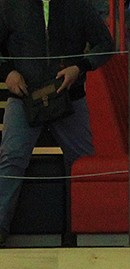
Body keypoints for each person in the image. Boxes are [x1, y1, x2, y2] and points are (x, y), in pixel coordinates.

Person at [0, 0, 114, 246]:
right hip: (25, 98)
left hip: (68, 98)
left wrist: (79, 68)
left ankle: (86, 230)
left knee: (82, 165)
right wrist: (7, 73)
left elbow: (106, 44)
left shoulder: (78, 5)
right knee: (11, 159)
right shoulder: (9, 5)